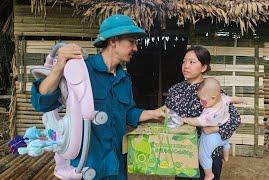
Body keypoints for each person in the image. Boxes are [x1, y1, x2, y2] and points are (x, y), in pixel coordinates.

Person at [31, 14, 165, 179]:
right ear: (114, 41)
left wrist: (155, 113)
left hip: (116, 166)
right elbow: (42, 103)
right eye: (131, 42)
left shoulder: (124, 79)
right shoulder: (81, 70)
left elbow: (128, 113)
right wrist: (59, 66)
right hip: (87, 167)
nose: (136, 48)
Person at [165, 46, 241, 180]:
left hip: (209, 155)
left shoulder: (212, 90)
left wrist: (215, 128)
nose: (186, 66)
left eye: (192, 62)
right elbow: (169, 118)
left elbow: (235, 119)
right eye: (184, 61)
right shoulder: (175, 90)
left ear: (204, 67)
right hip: (182, 152)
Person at [180, 77, 246, 180]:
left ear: (213, 98)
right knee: (225, 141)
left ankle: (209, 174)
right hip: (224, 135)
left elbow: (197, 121)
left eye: (203, 101)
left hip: (211, 137)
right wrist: (240, 100)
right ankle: (226, 154)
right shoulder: (223, 98)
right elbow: (232, 99)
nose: (201, 103)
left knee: (202, 155)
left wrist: (185, 119)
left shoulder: (210, 114)